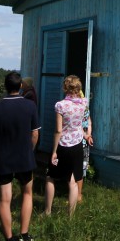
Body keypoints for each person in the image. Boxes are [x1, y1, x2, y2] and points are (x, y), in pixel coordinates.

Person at [0, 72, 40, 241]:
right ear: (20, 87)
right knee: (27, 193)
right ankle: (24, 236)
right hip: (24, 156)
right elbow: (35, 134)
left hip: (3, 157)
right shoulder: (30, 106)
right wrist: (29, 151)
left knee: (4, 199)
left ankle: (9, 240)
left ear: (5, 86)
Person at [44, 75, 86, 216]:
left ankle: (48, 211)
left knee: (51, 177)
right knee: (73, 181)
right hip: (77, 144)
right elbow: (80, 123)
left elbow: (58, 130)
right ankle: (70, 216)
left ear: (65, 88)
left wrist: (54, 151)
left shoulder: (61, 105)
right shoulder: (83, 103)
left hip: (62, 145)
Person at [78, 99, 93, 202]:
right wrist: (88, 135)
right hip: (84, 141)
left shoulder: (75, 108)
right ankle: (78, 194)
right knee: (82, 168)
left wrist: (86, 136)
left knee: (76, 169)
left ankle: (77, 194)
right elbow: (89, 122)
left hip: (77, 142)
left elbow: (77, 125)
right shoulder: (86, 108)